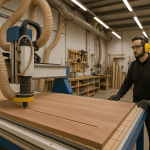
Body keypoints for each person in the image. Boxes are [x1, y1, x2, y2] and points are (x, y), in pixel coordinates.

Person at [108, 36, 150, 149]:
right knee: (135, 134)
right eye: (133, 47)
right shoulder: (133, 65)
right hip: (137, 106)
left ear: (146, 47)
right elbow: (127, 82)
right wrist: (119, 95)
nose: (134, 50)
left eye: (137, 47)